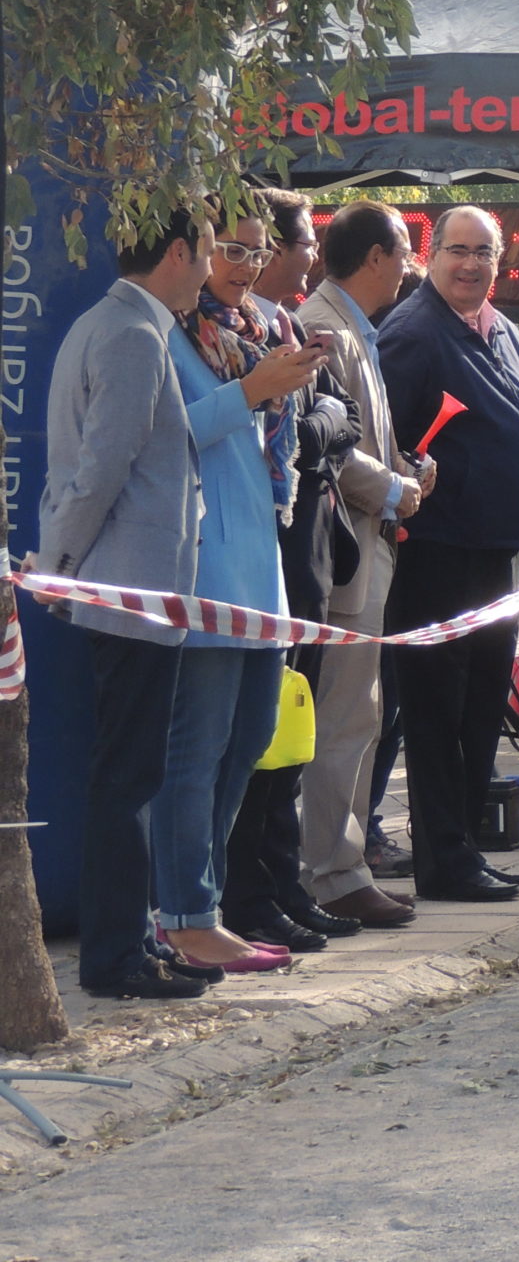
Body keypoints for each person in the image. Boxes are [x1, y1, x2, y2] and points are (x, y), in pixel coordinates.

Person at [39, 207, 216, 1000]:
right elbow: (100, 467)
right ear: (177, 251)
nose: (212, 268)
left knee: (129, 773)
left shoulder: (116, 325)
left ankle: (130, 941)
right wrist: (63, 566)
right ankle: (115, 958)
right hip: (129, 592)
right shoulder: (131, 334)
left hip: (130, 589)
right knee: (129, 778)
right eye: (209, 251)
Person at [160, 203, 330, 972]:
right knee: (195, 750)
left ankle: (206, 904)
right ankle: (184, 913)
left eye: (258, 255)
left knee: (251, 739)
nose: (243, 267)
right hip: (200, 568)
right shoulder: (165, 329)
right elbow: (164, 434)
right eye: (228, 249)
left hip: (261, 562)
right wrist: (253, 391)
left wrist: (288, 385)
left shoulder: (262, 329)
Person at [376, 206, 519, 902]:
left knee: (480, 706)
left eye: (483, 253)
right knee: (436, 711)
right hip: (438, 555)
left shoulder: (499, 328)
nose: (470, 265)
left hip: (493, 553)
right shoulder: (415, 334)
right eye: (457, 250)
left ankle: (466, 849)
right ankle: (443, 859)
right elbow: (381, 438)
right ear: (432, 253)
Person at [297, 200, 429, 930]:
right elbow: (331, 450)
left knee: (360, 716)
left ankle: (335, 867)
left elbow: (360, 436)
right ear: (377, 256)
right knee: (345, 719)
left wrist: (404, 470)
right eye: (407, 250)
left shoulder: (356, 328)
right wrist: (393, 488)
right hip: (346, 553)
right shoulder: (325, 326)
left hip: (369, 543)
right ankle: (335, 873)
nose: (409, 266)